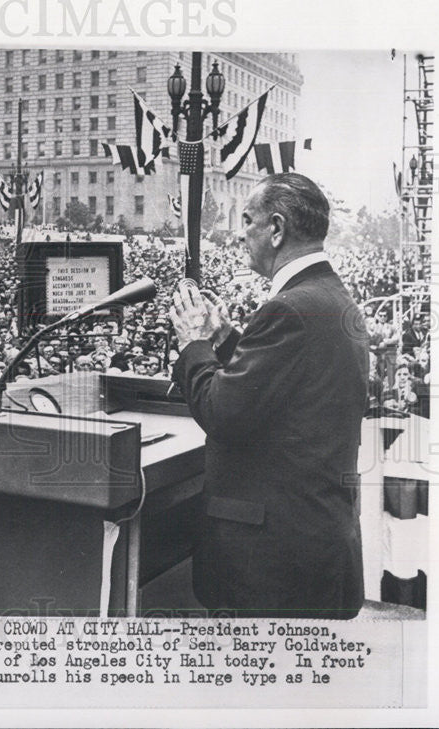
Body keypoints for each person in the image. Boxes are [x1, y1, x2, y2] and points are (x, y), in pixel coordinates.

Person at [169, 173, 368, 619]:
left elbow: (223, 412)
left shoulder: (288, 308)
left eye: (248, 220)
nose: (240, 232)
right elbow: (288, 388)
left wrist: (193, 344)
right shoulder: (328, 297)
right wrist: (224, 340)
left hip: (273, 563)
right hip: (312, 542)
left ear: (276, 229)